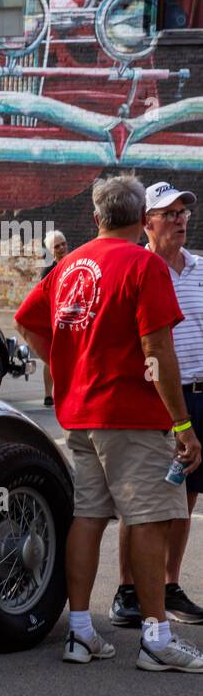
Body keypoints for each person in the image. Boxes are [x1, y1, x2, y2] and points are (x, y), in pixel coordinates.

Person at [14, 174, 203, 672]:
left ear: (96, 217)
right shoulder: (144, 264)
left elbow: (26, 320)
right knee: (150, 519)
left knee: (90, 516)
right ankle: (157, 638)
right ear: (142, 220)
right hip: (133, 415)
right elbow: (157, 349)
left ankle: (80, 632)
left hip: (81, 414)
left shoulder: (70, 264)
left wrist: (62, 366)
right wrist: (182, 425)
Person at [110, 181, 203, 627]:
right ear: (146, 222)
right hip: (154, 399)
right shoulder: (138, 268)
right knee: (142, 500)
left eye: (183, 212)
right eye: (169, 213)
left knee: (186, 495)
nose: (180, 219)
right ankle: (128, 590)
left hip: (198, 397)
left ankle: (169, 586)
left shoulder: (201, 269)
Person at [39, 229, 68, 407]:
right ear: (51, 250)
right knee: (51, 358)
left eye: (63, 243)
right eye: (57, 246)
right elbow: (42, 298)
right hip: (54, 318)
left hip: (74, 317)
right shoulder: (48, 272)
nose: (61, 247)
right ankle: (48, 394)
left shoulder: (77, 261)